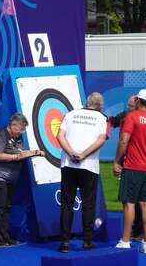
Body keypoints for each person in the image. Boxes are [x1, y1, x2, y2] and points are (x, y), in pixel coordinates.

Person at [57, 92, 109, 253]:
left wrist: (72, 153)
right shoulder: (103, 118)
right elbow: (101, 140)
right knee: (88, 203)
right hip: (89, 166)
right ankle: (87, 241)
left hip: (68, 164)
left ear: (87, 102)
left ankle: (65, 242)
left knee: (67, 203)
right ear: (100, 105)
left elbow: (60, 136)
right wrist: (83, 155)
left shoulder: (70, 114)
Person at [113, 89, 146, 254]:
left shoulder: (132, 117)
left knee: (129, 204)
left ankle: (125, 241)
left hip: (133, 166)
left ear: (139, 101)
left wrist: (117, 161)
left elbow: (123, 141)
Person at [0, 112, 45, 247]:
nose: (22, 132)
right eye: (21, 128)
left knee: (7, 206)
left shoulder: (17, 138)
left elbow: (22, 152)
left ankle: (5, 236)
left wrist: (36, 152)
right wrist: (15, 157)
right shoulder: (0, 136)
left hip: (10, 178)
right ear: (13, 125)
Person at [110, 95, 146, 241]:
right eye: (128, 106)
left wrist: (116, 161)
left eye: (131, 106)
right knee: (137, 201)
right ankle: (136, 231)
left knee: (141, 201)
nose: (129, 108)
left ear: (138, 104)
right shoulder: (126, 115)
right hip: (132, 161)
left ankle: (143, 234)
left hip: (138, 164)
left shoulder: (143, 120)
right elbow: (111, 121)